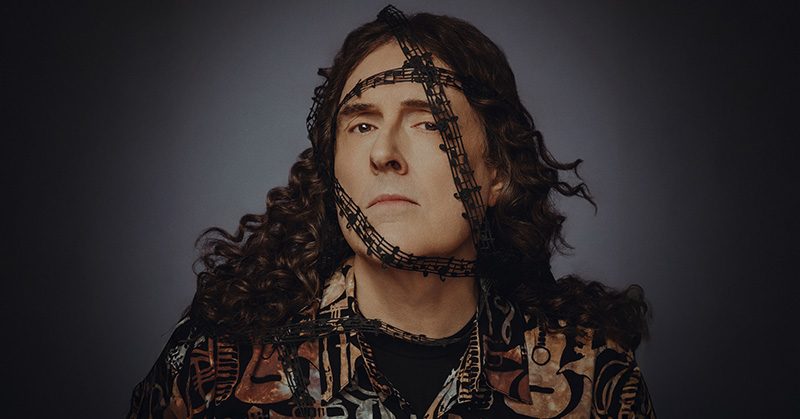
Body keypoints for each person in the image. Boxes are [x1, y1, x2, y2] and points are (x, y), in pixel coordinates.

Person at [128, 5, 655, 418]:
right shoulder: (217, 365)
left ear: (497, 172)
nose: (383, 152)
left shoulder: (592, 378)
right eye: (361, 125)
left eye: (428, 123)